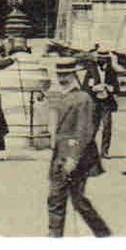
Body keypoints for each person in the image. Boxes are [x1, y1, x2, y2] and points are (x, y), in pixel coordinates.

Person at [46, 57, 111, 237]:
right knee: (56, 198)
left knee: (77, 201)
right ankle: (54, 235)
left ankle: (103, 233)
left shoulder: (83, 99)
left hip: (76, 158)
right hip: (60, 156)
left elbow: (84, 132)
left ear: (74, 75)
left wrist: (73, 158)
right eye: (59, 74)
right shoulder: (62, 97)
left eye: (65, 74)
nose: (61, 78)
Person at [80, 46, 119, 159]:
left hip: (106, 102)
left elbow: (116, 87)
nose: (103, 61)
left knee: (107, 126)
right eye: (101, 59)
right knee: (92, 127)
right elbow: (85, 87)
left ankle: (104, 151)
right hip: (94, 101)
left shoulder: (111, 71)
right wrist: (94, 88)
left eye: (105, 59)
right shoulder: (91, 69)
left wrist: (109, 87)